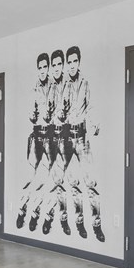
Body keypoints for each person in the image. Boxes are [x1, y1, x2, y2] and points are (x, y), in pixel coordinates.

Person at [60, 45, 104, 241]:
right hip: (66, 138)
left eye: (74, 61)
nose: (71, 65)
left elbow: (91, 106)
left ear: (79, 62)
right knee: (71, 183)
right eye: (68, 62)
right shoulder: (60, 85)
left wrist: (95, 124)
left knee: (91, 183)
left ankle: (96, 225)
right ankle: (76, 223)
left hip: (82, 138)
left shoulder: (85, 83)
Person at [16, 53, 53, 230]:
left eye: (46, 67)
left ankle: (38, 214)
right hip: (37, 137)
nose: (44, 70)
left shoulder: (55, 88)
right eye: (41, 67)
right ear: (38, 69)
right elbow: (30, 117)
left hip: (52, 138)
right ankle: (23, 210)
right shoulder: (33, 92)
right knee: (33, 178)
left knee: (49, 181)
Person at [40, 49, 71, 236]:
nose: (57, 68)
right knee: (53, 180)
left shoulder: (69, 85)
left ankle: (58, 219)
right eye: (54, 65)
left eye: (60, 64)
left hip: (68, 137)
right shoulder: (48, 88)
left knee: (66, 182)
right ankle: (46, 217)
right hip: (52, 138)